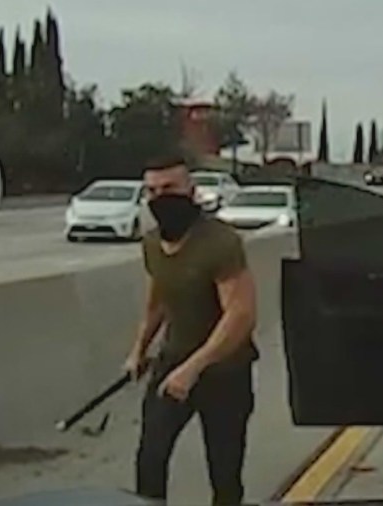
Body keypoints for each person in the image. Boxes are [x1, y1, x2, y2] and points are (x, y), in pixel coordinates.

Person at [124, 155, 259, 505]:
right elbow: (158, 300)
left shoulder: (220, 242)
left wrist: (195, 367)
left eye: (169, 188)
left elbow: (241, 315)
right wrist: (139, 349)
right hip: (173, 361)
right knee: (150, 456)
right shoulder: (152, 244)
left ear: (191, 190)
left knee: (224, 472)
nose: (160, 197)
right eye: (152, 190)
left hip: (225, 370)